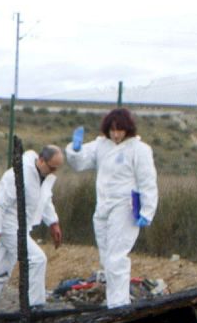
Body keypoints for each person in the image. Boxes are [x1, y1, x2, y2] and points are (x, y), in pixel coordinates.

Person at [64, 107, 158, 308]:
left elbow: (147, 181)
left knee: (117, 258)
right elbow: (80, 163)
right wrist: (75, 149)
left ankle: (119, 305)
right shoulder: (101, 145)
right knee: (107, 258)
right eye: (113, 130)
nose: (116, 135)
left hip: (125, 206)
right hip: (103, 206)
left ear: (128, 129)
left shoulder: (139, 149)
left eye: (120, 130)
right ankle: (114, 301)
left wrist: (147, 210)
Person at [0, 145, 65, 316]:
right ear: (41, 160)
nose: (54, 172)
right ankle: (34, 306)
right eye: (51, 167)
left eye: (56, 169)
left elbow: (46, 199)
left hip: (21, 226)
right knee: (37, 259)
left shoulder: (46, 176)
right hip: (8, 227)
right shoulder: (18, 174)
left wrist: (53, 223)